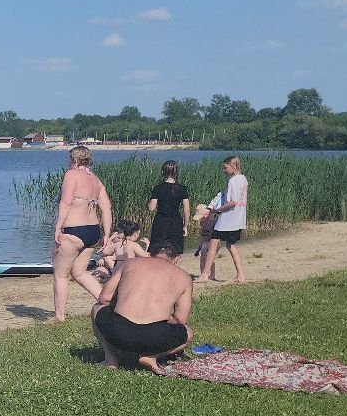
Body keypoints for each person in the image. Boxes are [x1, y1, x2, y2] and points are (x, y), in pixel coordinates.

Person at [92, 239, 194, 371]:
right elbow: (181, 319)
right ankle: (151, 356)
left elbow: (104, 298)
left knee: (97, 308)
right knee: (188, 333)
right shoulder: (184, 277)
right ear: (177, 259)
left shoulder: (129, 263)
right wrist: (166, 318)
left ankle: (110, 360)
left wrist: (120, 307)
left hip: (119, 331)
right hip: (154, 337)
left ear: (149, 254)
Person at [50, 145, 111, 320]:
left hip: (73, 230)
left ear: (74, 160)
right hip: (93, 231)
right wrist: (106, 234)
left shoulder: (71, 175)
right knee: (79, 272)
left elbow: (66, 202)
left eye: (70, 160)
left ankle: (59, 316)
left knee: (60, 274)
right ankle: (107, 303)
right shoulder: (96, 180)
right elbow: (106, 207)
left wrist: (57, 227)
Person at [199, 156, 251, 284]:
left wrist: (218, 210)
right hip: (238, 218)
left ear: (233, 166)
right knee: (230, 245)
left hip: (228, 219)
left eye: (226, 167)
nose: (224, 170)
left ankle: (205, 274)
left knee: (213, 243)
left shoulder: (233, 181)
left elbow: (233, 202)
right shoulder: (243, 179)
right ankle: (240, 275)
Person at [146, 159, 192, 266]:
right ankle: (173, 267)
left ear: (163, 172)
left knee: (158, 246)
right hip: (176, 220)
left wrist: (148, 202)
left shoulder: (158, 188)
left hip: (161, 220)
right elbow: (187, 210)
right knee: (174, 247)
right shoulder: (182, 189)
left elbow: (151, 208)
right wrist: (185, 226)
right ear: (176, 172)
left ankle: (157, 267)